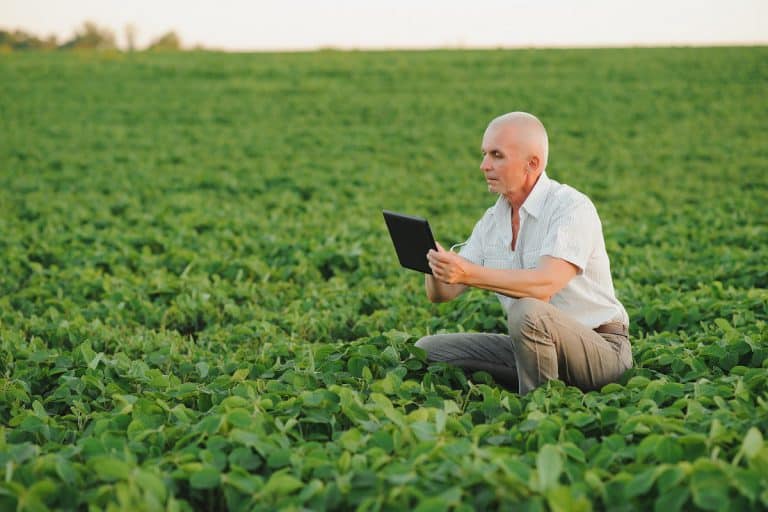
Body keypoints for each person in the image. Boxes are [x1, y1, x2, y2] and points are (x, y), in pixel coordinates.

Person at [415, 112, 632, 394]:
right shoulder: (493, 220)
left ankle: (539, 409)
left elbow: (545, 284)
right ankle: (542, 379)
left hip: (602, 351)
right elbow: (443, 294)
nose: (484, 165)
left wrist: (468, 273)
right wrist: (433, 263)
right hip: (535, 344)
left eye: (497, 155)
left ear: (533, 163)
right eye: (484, 154)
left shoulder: (571, 207)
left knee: (527, 310)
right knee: (428, 349)